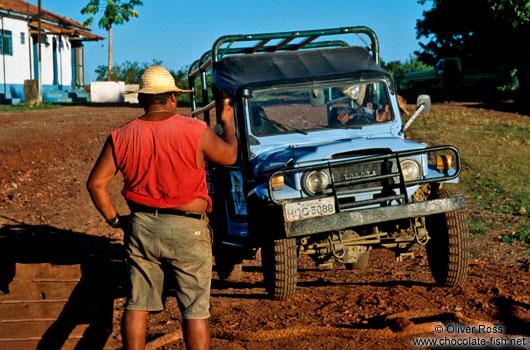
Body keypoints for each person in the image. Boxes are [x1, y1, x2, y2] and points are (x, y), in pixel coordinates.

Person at [86, 65, 238, 350]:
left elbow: (96, 184)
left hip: (142, 226)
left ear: (142, 100)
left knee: (137, 304)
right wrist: (227, 122)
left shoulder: (121, 135)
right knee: (195, 309)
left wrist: (117, 221)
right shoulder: (195, 130)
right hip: (188, 228)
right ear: (172, 98)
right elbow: (229, 156)